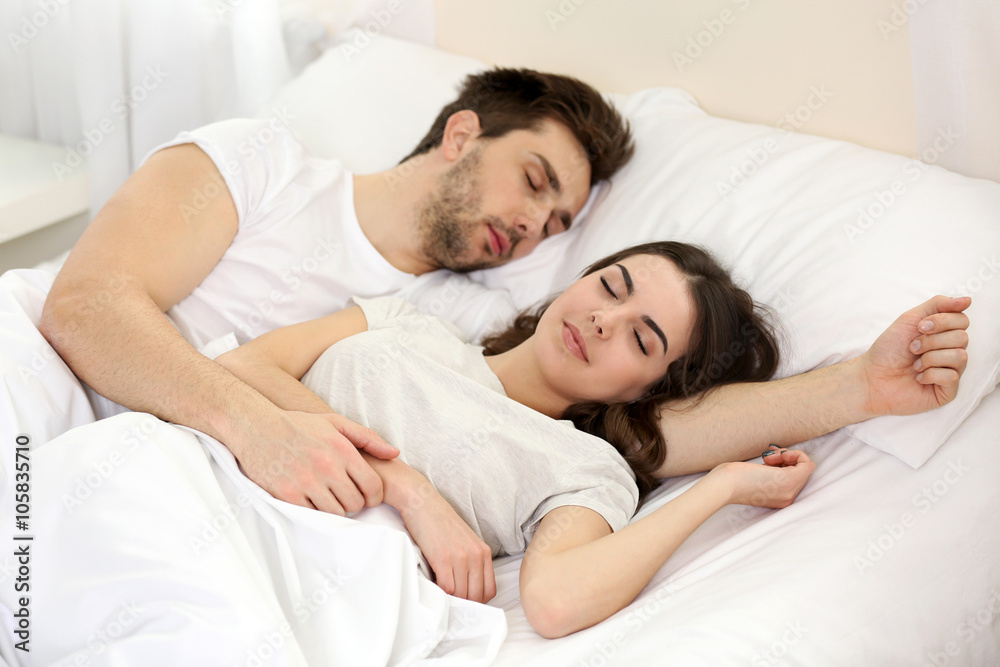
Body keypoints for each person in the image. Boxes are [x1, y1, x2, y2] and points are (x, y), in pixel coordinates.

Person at [213, 241, 970, 639]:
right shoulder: (406, 322)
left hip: (287, 575)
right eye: (610, 287)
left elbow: (554, 600)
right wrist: (405, 484)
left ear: (647, 390)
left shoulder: (584, 469)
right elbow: (242, 369)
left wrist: (722, 486)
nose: (605, 321)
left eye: (642, 339)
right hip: (203, 477)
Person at [38, 67, 635, 514]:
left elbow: (638, 425)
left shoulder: (468, 323)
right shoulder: (266, 164)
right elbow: (84, 308)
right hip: (40, 386)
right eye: (534, 181)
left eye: (557, 224)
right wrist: (256, 429)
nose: (535, 223)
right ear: (460, 136)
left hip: (154, 492)